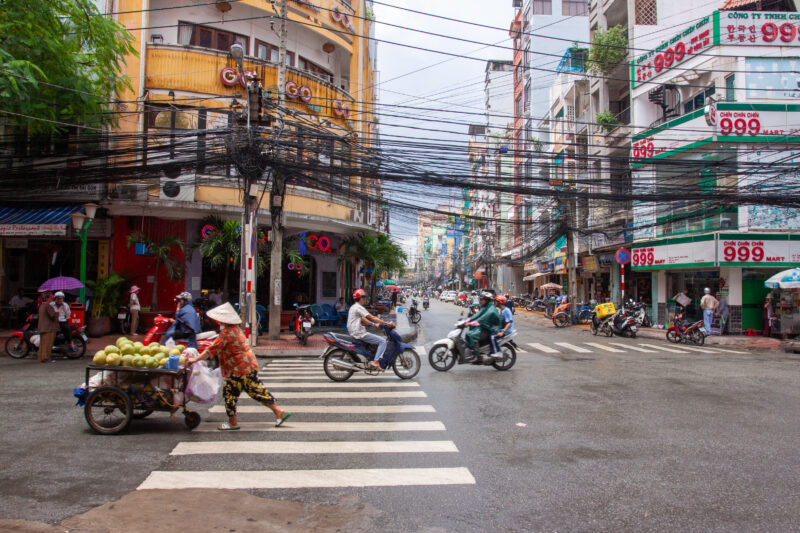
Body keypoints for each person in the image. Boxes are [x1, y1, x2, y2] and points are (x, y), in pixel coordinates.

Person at [186, 302, 291, 430]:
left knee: (229, 393)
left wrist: (194, 360)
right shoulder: (236, 330)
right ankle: (278, 411)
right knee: (256, 391)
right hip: (248, 365)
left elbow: (210, 351)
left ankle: (232, 423)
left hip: (238, 369)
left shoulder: (226, 333)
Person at [347, 288, 395, 370]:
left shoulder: (354, 307)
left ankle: (372, 359)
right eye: (364, 298)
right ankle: (375, 361)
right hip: (359, 333)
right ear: (361, 298)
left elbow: (363, 319)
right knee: (382, 341)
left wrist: (373, 324)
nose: (365, 300)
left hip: (354, 331)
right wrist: (387, 323)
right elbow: (372, 317)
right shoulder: (359, 307)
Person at [465, 291, 501, 363]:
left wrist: (471, 323)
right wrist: (468, 320)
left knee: (473, 335)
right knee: (470, 333)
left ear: (486, 300)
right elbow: (478, 314)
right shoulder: (486, 307)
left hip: (491, 329)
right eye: (480, 299)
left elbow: (482, 318)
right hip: (485, 327)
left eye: (482, 299)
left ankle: (477, 356)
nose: (480, 301)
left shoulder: (491, 309)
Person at [37, 292, 59, 363]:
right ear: (47, 298)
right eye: (50, 297)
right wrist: (59, 312)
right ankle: (46, 358)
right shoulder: (47, 306)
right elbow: (52, 315)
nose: (51, 299)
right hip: (48, 328)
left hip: (42, 327)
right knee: (48, 344)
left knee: (43, 344)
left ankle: (41, 357)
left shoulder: (41, 306)